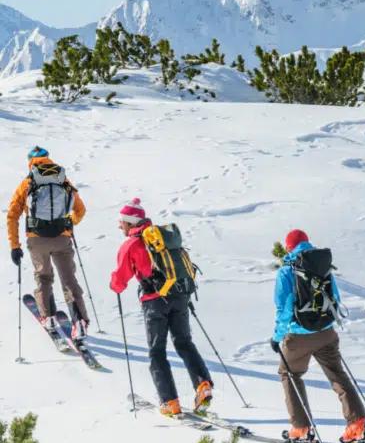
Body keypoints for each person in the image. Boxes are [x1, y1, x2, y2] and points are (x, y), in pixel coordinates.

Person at [109, 197, 213, 416]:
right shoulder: (162, 238)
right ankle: (203, 386)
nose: (119, 225)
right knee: (184, 342)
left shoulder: (132, 244)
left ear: (130, 222)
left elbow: (120, 280)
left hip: (154, 302)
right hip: (180, 295)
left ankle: (169, 402)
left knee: (157, 351)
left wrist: (114, 284)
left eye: (122, 221)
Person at [270, 229, 365, 443]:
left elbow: (284, 307)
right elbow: (335, 297)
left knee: (289, 374)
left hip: (299, 335)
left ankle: (300, 427)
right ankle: (356, 423)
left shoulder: (287, 271)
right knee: (337, 375)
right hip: (326, 332)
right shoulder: (322, 265)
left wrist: (277, 337)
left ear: (289, 247)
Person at [7, 146, 90, 340]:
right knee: (69, 280)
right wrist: (68, 225)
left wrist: (14, 245)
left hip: (37, 240)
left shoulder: (27, 183)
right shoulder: (63, 180)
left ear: (30, 161)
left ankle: (49, 318)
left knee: (43, 278)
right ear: (48, 159)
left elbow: (12, 215)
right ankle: (80, 323)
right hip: (62, 238)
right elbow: (81, 210)